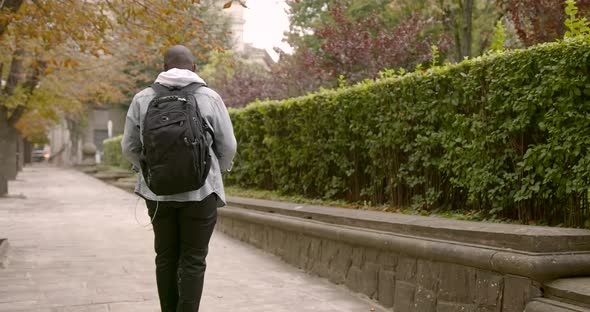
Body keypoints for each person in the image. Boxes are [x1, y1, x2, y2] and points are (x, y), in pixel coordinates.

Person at [121, 44, 237, 312]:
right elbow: (228, 145)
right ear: (194, 68)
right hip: (202, 192)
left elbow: (128, 147)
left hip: (157, 193)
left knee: (165, 257)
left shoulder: (142, 98)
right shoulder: (210, 97)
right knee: (194, 259)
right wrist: (211, 170)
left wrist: (150, 169)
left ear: (163, 68)